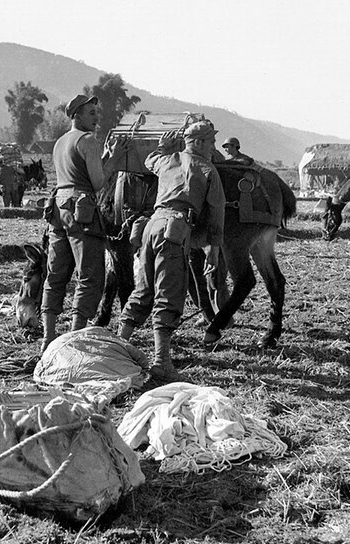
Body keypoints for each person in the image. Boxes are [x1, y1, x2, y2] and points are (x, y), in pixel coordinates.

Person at [117, 121, 226, 383]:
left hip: (151, 226)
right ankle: (161, 361)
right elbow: (216, 214)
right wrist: (214, 249)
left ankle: (118, 347)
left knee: (143, 288)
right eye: (211, 141)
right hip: (175, 230)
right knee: (169, 293)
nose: (213, 147)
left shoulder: (166, 160)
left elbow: (149, 161)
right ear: (199, 142)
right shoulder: (207, 169)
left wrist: (163, 146)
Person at [39, 94, 129, 352]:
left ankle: (49, 337)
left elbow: (76, 174)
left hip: (58, 209)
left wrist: (104, 160)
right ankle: (74, 339)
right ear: (77, 115)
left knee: (56, 275)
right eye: (91, 113)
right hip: (82, 212)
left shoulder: (59, 143)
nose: (96, 117)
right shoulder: (88, 140)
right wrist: (114, 159)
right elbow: (98, 182)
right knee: (90, 276)